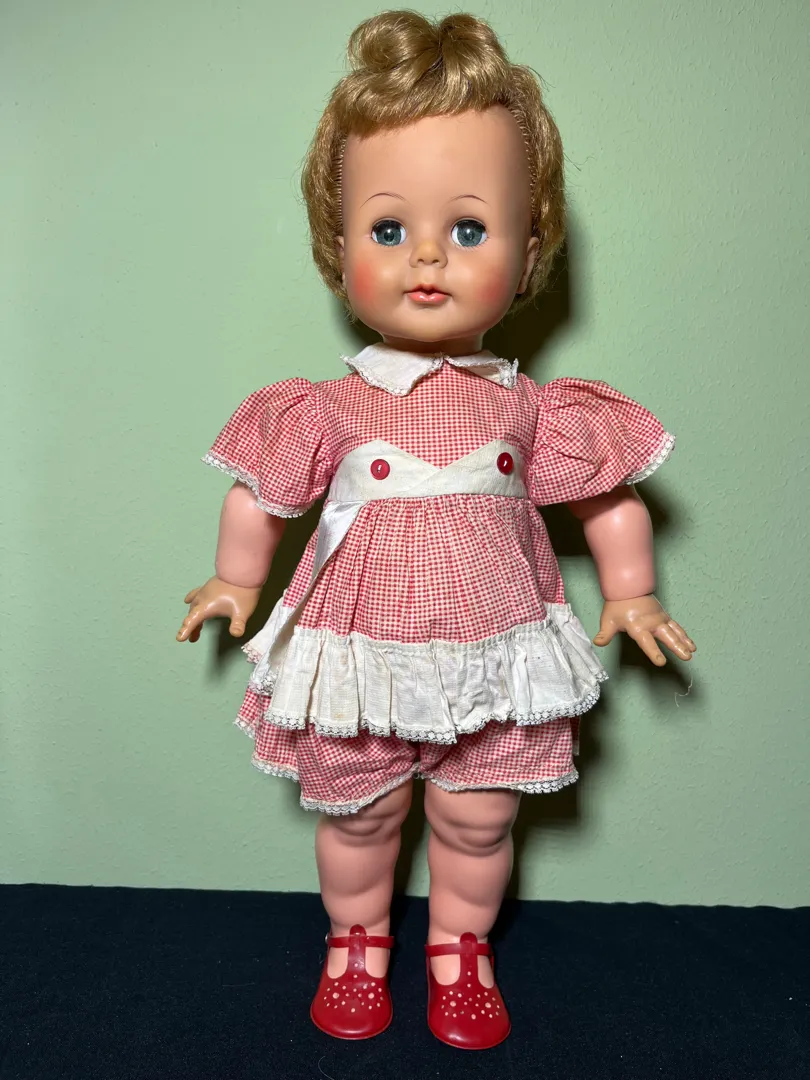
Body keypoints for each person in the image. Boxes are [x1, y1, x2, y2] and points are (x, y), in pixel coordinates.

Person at [177, 11, 696, 1050]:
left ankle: (461, 949)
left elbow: (607, 499)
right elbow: (261, 497)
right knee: (360, 814)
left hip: (498, 653)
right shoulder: (326, 407)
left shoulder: (536, 411)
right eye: (386, 230)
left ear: (530, 249)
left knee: (479, 816)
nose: (426, 257)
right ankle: (356, 941)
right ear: (338, 248)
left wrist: (632, 590)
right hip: (361, 652)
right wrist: (234, 579)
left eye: (467, 229)